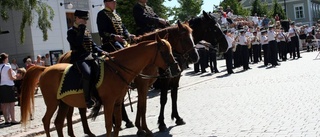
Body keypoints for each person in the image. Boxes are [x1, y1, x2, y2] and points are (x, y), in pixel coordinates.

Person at [67, 10, 107, 108]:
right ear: (76, 18)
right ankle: (87, 99)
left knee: (102, 70)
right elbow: (77, 43)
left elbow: (93, 46)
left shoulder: (86, 31)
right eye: (83, 19)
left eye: (86, 19)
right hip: (79, 58)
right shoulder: (71, 31)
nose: (85, 21)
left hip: (90, 57)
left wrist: (102, 51)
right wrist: (81, 29)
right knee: (87, 73)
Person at [0, 53, 19, 126]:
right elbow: (11, 77)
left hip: (1, 86)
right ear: (5, 59)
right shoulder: (8, 67)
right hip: (9, 86)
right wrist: (16, 77)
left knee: (4, 104)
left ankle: (6, 120)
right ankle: (13, 119)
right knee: (11, 104)